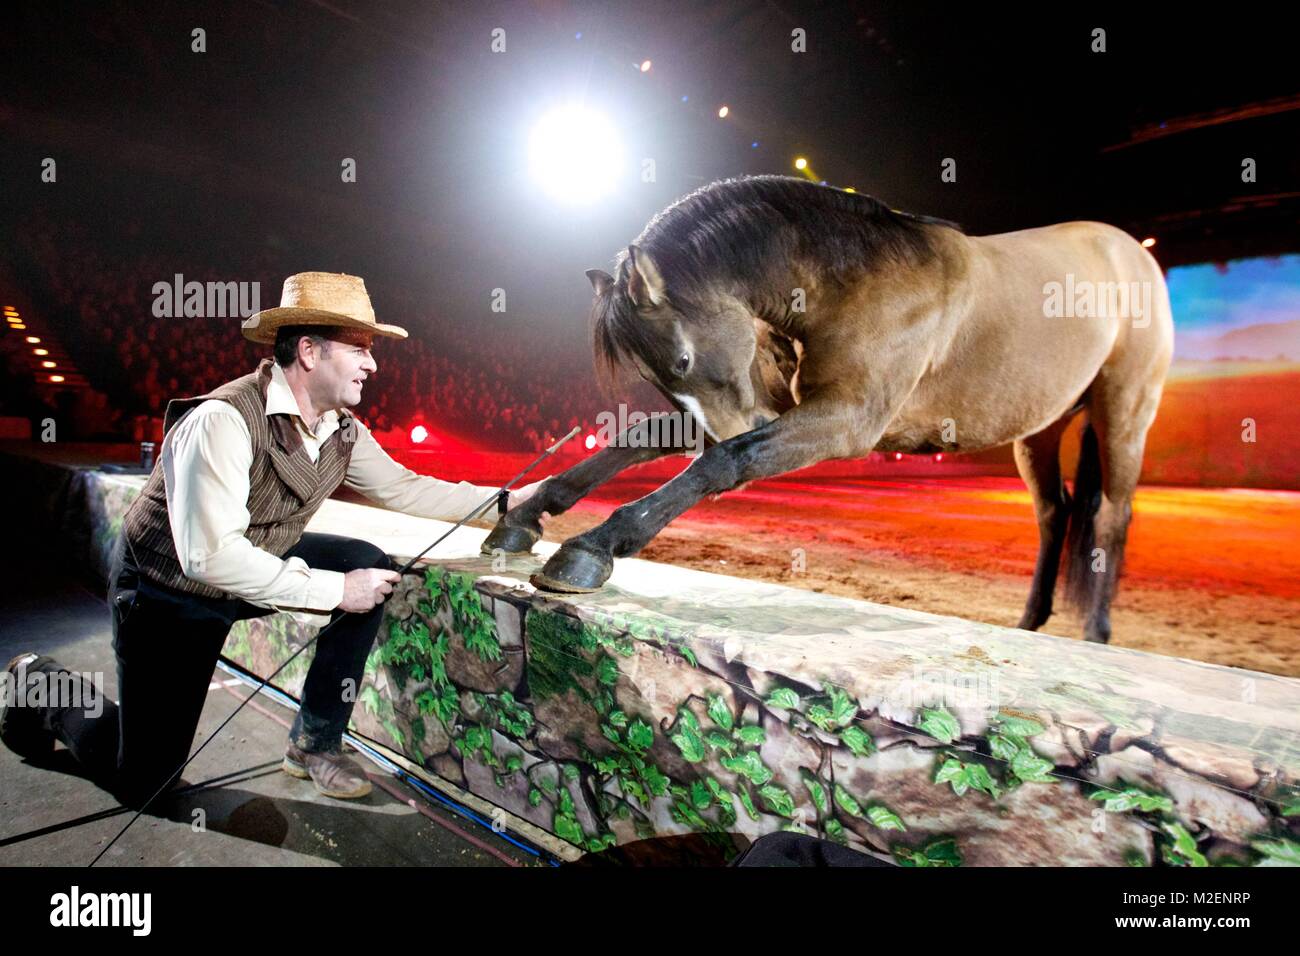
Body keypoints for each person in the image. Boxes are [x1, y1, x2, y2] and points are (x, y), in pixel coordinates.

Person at [1, 272, 547, 805]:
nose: (373, 363)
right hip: (166, 590)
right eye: (359, 347)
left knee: (367, 563)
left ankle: (315, 744)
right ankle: (39, 683)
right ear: (309, 351)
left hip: (248, 564)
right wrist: (336, 591)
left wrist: (507, 501)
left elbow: (404, 488)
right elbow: (208, 556)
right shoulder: (223, 420)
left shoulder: (342, 430)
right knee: (145, 781)